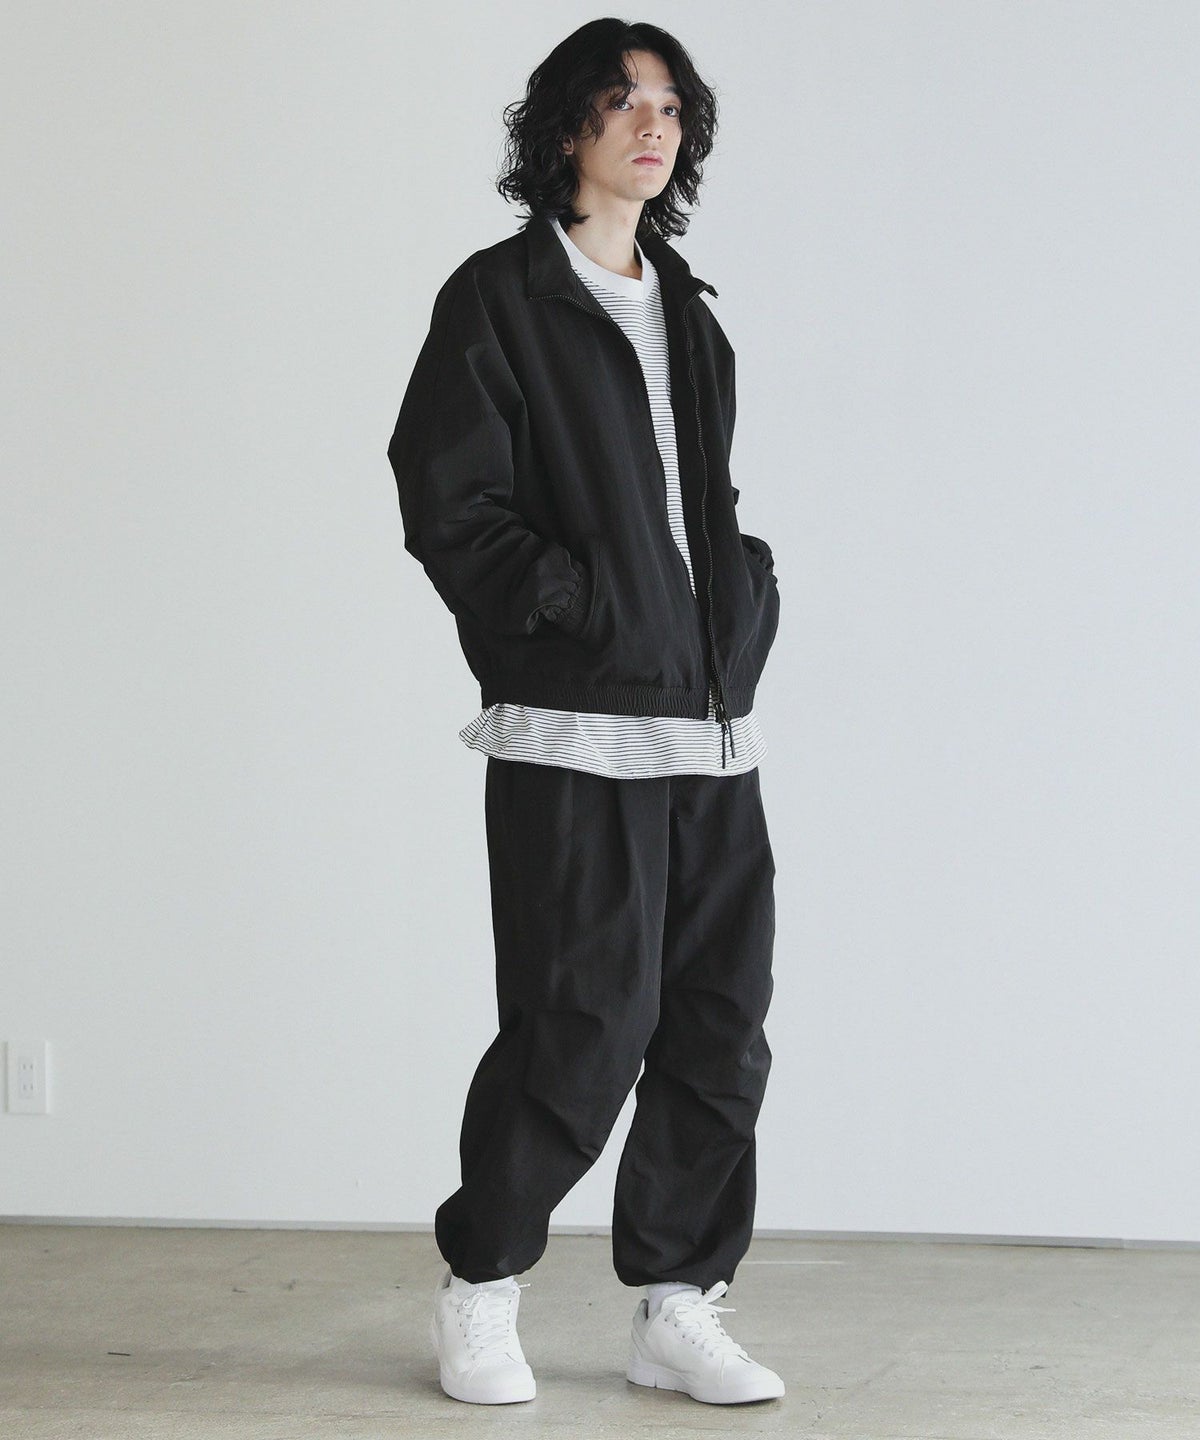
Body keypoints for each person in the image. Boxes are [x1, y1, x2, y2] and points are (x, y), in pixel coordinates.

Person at [386, 17, 784, 1408]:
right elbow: (449, 500)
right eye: (621, 101)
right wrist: (577, 612)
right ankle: (482, 1284)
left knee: (718, 1024)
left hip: (708, 723)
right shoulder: (501, 299)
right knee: (580, 1021)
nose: (651, 124)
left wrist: (742, 599)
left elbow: (701, 506)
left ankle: (678, 1301)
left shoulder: (690, 314)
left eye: (669, 104)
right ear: (566, 130)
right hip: (575, 725)